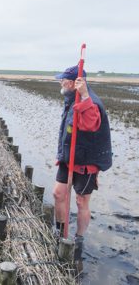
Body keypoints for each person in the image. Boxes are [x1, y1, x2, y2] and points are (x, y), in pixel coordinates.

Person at [52, 65, 112, 262]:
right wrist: (62, 154)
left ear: (72, 83)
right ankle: (60, 231)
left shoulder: (91, 101)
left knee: (81, 201)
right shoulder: (69, 99)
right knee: (58, 193)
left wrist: (84, 95)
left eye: (63, 80)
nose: (60, 82)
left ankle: (78, 238)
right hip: (68, 158)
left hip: (86, 162)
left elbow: (90, 124)